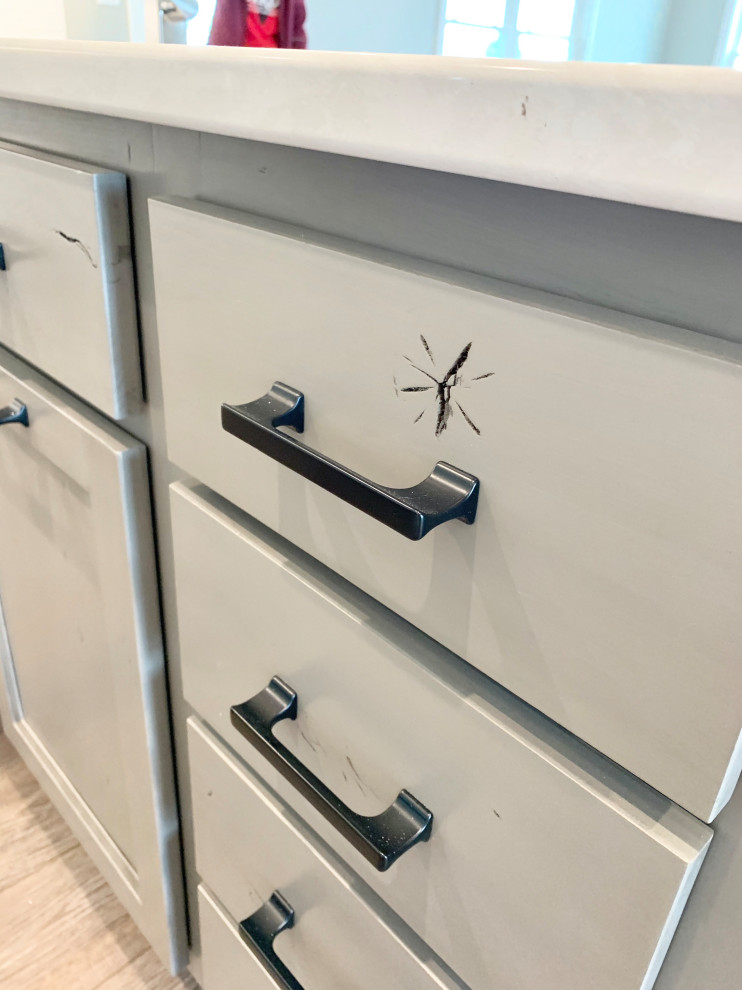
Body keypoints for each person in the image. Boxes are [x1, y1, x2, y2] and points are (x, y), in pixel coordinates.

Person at [208, 0, 307, 49]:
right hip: (239, 59)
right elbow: (221, 32)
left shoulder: (293, 4)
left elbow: (297, 35)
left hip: (274, 62)